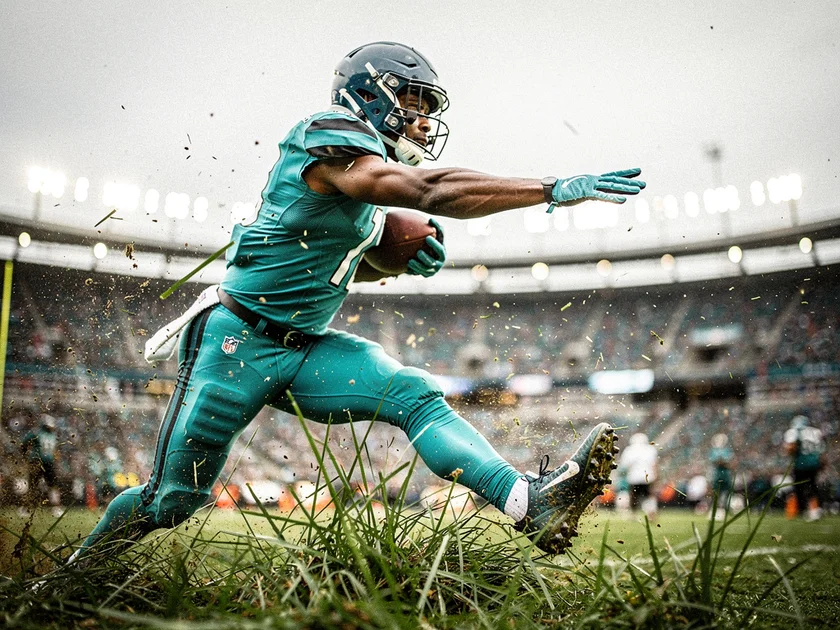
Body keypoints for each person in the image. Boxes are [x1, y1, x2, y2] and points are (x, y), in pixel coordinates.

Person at [71, 41, 644, 562]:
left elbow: (333, 265)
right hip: (236, 342)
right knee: (168, 502)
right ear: (367, 92)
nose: (422, 121)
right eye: (412, 102)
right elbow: (429, 190)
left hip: (304, 350)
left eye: (427, 107)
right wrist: (548, 188)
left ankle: (528, 503)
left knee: (415, 393)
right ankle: (68, 581)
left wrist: (387, 262)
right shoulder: (325, 134)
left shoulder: (362, 184)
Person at [783, 415, 825, 521]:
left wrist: (792, 452)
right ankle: (815, 509)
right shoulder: (815, 432)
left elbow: (790, 448)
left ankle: (802, 510)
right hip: (814, 463)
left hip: (801, 464)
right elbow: (821, 450)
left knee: (799, 487)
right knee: (813, 486)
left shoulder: (794, 432)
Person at [21, 414, 60, 507]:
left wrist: (25, 455)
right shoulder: (52, 435)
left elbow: (24, 444)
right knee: (50, 485)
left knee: (34, 485)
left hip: (38, 461)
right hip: (43, 461)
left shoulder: (36, 432)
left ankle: (26, 507)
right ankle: (55, 507)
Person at [616, 433, 658, 517]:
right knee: (648, 496)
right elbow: (654, 465)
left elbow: (625, 465)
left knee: (634, 496)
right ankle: (651, 513)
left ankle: (633, 514)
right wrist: (655, 476)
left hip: (634, 477)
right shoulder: (650, 450)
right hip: (647, 477)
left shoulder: (629, 450)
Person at [709, 432, 734, 510]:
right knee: (716, 492)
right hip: (718, 475)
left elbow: (730, 463)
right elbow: (716, 462)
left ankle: (725, 508)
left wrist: (722, 462)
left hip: (725, 475)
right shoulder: (713, 450)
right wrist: (724, 462)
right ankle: (714, 508)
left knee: (726, 492)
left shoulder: (727, 450)